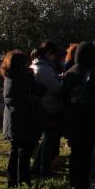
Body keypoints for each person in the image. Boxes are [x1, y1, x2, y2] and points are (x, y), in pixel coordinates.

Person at [60, 42, 95, 189]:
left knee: (75, 153)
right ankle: (83, 184)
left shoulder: (70, 72)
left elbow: (63, 96)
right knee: (86, 153)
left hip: (71, 117)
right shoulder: (90, 72)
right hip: (88, 118)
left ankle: (74, 183)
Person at [1, 50, 46, 188]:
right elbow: (40, 89)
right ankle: (24, 181)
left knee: (15, 150)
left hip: (12, 118)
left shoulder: (9, 76)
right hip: (24, 118)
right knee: (24, 152)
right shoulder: (24, 77)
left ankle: (12, 181)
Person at [30, 41, 63, 177]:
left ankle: (38, 167)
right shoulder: (45, 68)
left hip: (41, 105)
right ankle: (44, 169)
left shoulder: (35, 65)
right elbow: (55, 88)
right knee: (48, 140)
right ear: (50, 54)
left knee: (46, 140)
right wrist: (62, 81)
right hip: (48, 106)